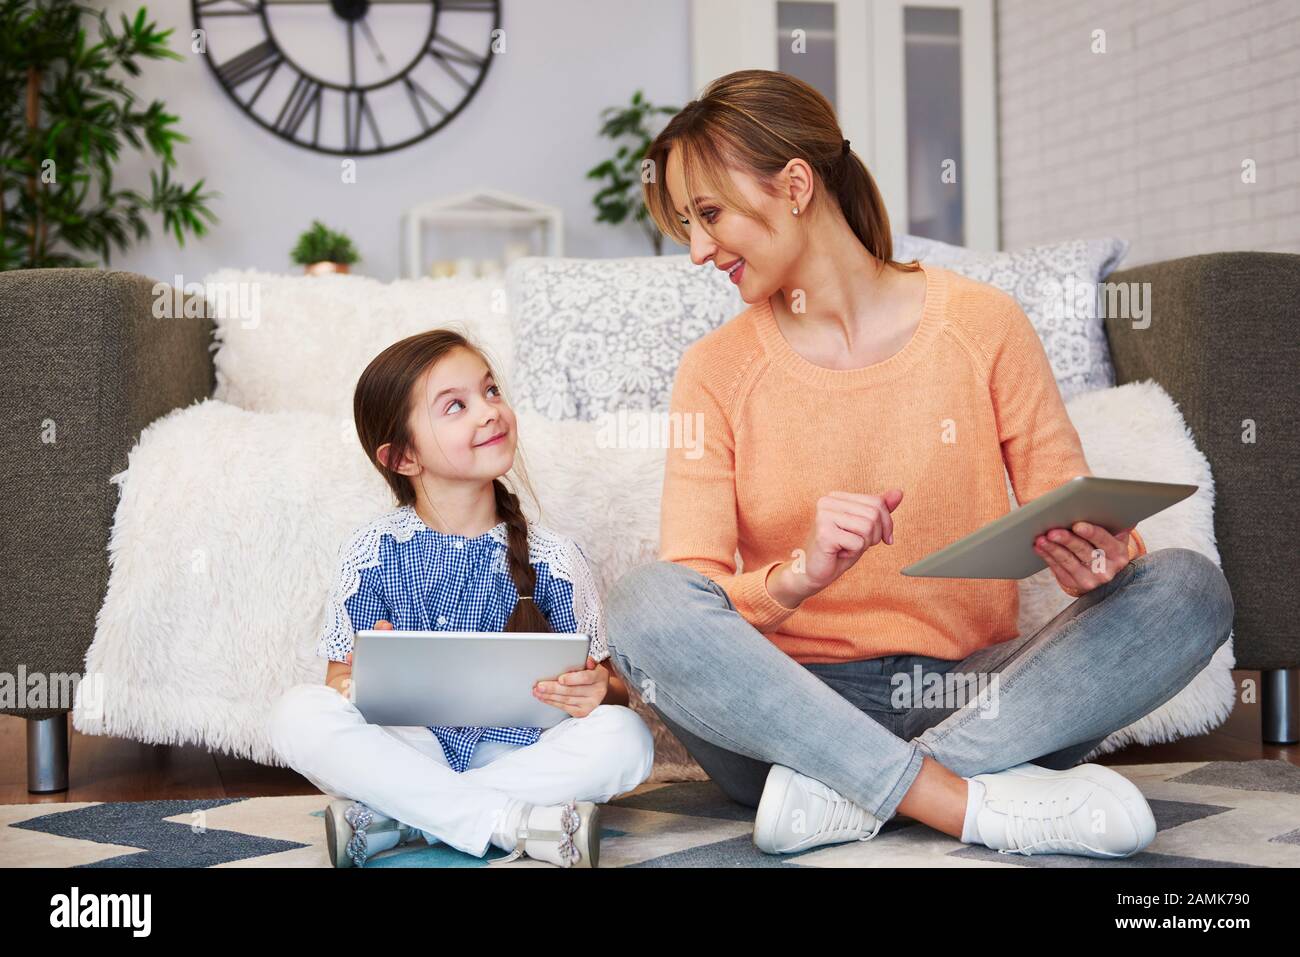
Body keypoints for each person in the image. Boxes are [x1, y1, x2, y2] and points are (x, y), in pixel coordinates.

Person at [604, 69, 1234, 859]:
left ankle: (858, 794)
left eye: (708, 214)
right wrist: (797, 575)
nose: (697, 250)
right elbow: (687, 597)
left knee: (1187, 588)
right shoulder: (714, 369)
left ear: (795, 184)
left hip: (975, 693)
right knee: (642, 601)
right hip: (786, 709)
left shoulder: (983, 323)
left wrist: (1099, 562)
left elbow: (1071, 506)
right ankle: (967, 801)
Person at [267, 329, 654, 868]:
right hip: (410, 749)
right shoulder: (373, 551)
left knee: (627, 738)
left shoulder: (556, 559)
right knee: (296, 714)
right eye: (456, 406)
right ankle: (510, 822)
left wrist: (598, 691)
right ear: (403, 458)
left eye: (491, 391)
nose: (489, 412)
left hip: (522, 752)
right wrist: (361, 681)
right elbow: (338, 684)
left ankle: (401, 818)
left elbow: (614, 694)